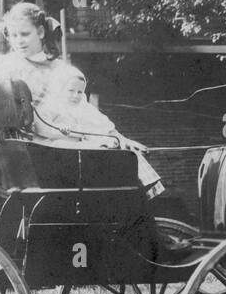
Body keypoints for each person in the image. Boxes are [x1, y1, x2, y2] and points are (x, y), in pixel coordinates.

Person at [0, 1, 164, 200]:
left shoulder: (60, 70)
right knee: (118, 157)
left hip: (58, 141)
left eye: (25, 34)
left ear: (41, 32)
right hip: (36, 148)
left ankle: (146, 207)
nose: (19, 41)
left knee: (121, 150)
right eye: (14, 35)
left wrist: (117, 136)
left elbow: (83, 111)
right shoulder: (0, 65)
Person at [32, 67, 165, 197]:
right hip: (62, 152)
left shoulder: (84, 108)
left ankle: (145, 187)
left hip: (81, 148)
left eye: (80, 92)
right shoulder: (50, 106)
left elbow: (106, 128)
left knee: (123, 150)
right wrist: (67, 132)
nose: (75, 96)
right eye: (71, 90)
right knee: (104, 150)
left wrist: (125, 141)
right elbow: (41, 128)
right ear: (60, 88)